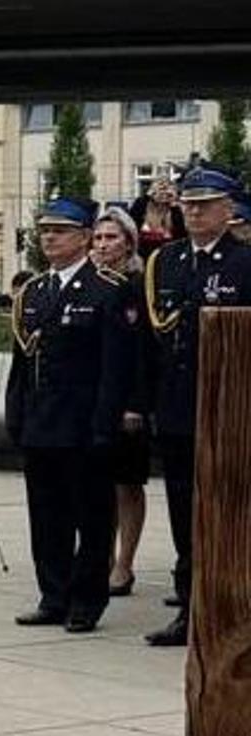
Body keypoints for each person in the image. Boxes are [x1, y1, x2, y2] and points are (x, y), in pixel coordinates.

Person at [6, 197, 138, 635]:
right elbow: (22, 365)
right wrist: (16, 417)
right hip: (41, 423)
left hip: (83, 426)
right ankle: (54, 595)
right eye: (45, 230)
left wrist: (106, 424)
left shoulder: (107, 288)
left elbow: (115, 367)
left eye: (60, 231)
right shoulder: (33, 291)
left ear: (84, 238)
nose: (49, 238)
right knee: (47, 518)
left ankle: (86, 601)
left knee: (92, 518)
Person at [138, 165, 251, 646]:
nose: (195, 212)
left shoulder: (244, 262)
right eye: (189, 204)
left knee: (230, 512)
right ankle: (191, 609)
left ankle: (232, 609)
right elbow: (150, 343)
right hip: (179, 409)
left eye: (205, 204)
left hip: (231, 410)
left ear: (229, 210)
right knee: (184, 513)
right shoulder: (166, 261)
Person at [90, 207, 150, 597]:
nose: (102, 245)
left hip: (125, 400)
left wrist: (136, 404)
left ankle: (124, 564)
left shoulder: (138, 284)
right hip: (92, 398)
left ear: (128, 243)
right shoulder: (87, 282)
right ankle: (102, 557)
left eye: (111, 237)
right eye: (97, 238)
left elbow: (142, 351)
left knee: (127, 484)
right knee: (97, 486)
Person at [128, 175, 186, 258]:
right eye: (160, 189)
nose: (163, 193)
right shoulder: (142, 206)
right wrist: (148, 195)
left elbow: (182, 235)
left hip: (168, 258)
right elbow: (130, 224)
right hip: (141, 258)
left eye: (166, 190)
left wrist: (174, 203)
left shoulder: (175, 212)